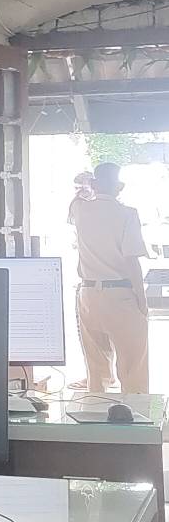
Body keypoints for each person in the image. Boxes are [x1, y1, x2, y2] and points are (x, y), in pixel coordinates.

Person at [69, 162, 150, 393]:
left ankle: (97, 405)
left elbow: (75, 200)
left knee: (96, 367)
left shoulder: (80, 210)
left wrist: (87, 186)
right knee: (133, 366)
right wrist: (142, 300)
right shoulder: (127, 214)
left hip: (88, 294)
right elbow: (131, 260)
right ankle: (135, 409)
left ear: (94, 184)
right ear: (119, 187)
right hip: (121, 295)